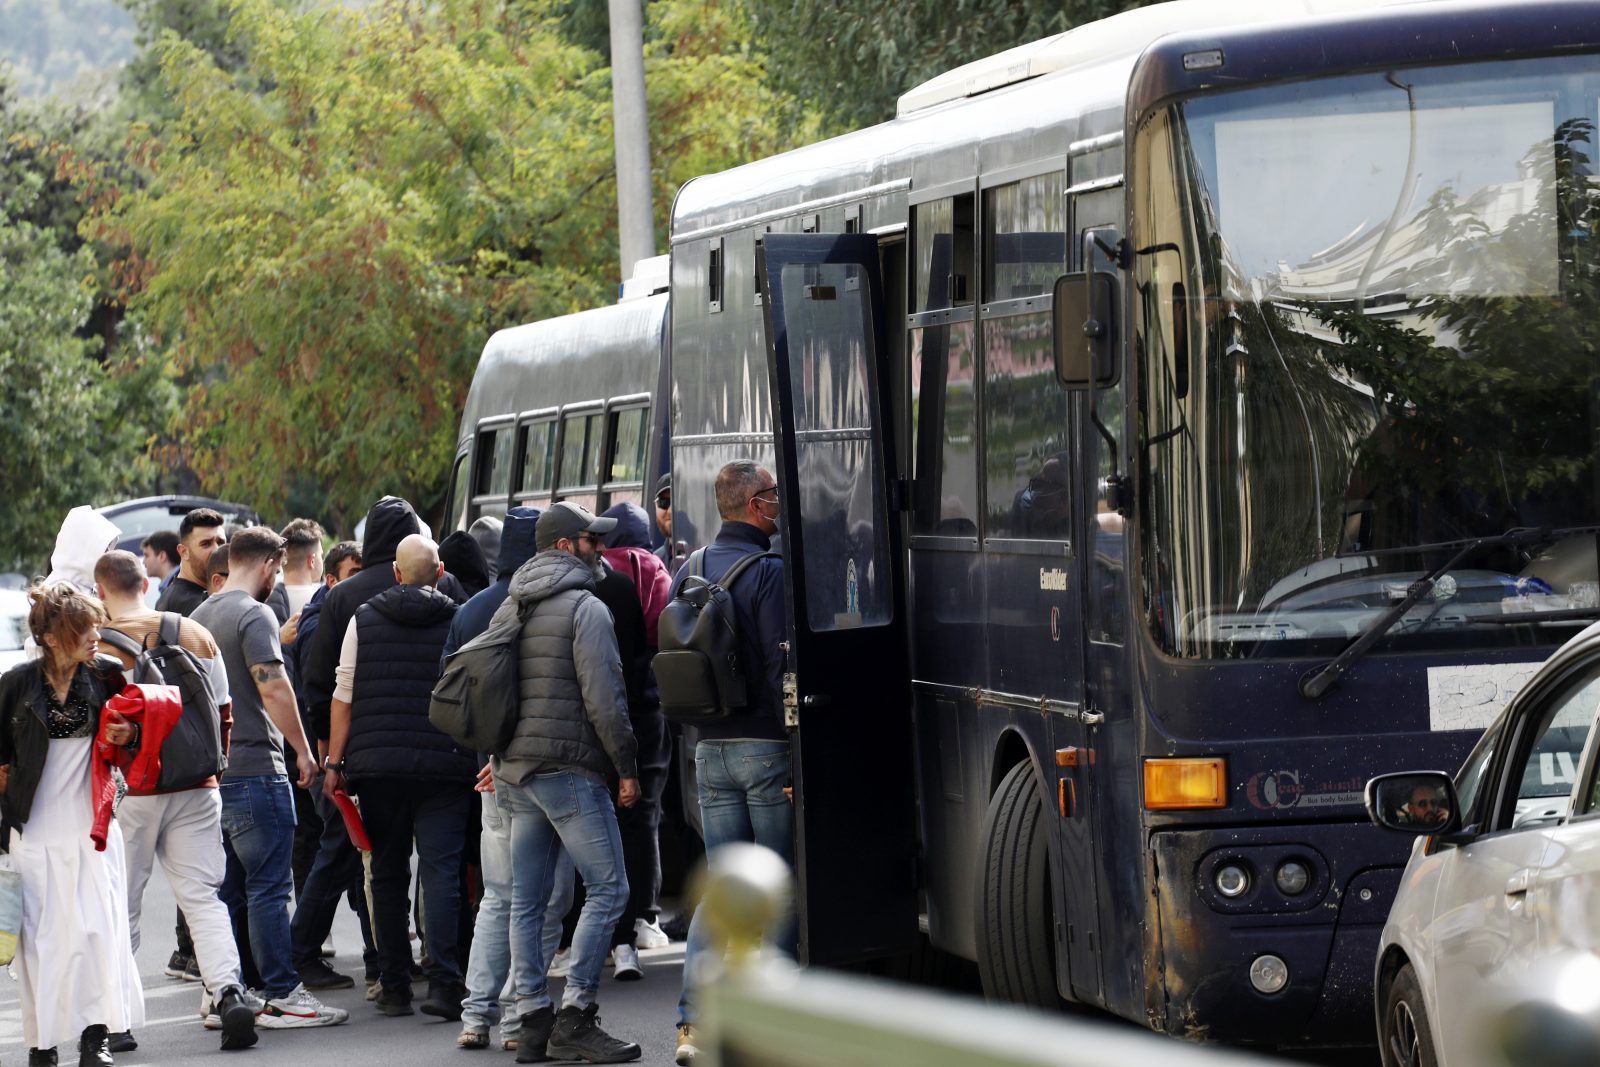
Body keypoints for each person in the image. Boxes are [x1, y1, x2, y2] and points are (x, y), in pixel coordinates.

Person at [494, 501, 642, 1064]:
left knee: (526, 900)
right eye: (590, 539)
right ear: (564, 546)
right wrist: (625, 767)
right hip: (570, 768)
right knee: (610, 889)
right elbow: (606, 699)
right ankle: (576, 1014)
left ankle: (532, 1019)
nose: (600, 548)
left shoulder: (513, 602)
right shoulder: (586, 607)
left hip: (516, 771)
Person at [94, 550, 258, 1052]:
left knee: (121, 902)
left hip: (132, 791)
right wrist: (213, 770)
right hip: (197, 784)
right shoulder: (196, 634)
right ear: (145, 583)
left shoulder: (99, 646)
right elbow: (224, 712)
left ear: (100, 592)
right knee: (203, 898)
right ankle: (228, 993)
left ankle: (117, 1020)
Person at [191, 526, 348, 1028]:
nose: (276, 580)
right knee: (269, 888)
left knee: (230, 891)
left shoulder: (198, 616)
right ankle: (282, 993)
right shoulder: (254, 614)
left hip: (216, 774)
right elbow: (274, 686)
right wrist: (303, 751)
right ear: (265, 566)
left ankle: (229, 992)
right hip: (258, 769)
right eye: (276, 571)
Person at [323, 534, 473, 1019]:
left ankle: (393, 986)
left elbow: (343, 697)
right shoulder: (459, 619)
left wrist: (335, 763)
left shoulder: (363, 619)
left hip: (379, 769)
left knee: (387, 874)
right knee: (442, 872)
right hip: (445, 766)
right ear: (441, 572)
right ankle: (446, 985)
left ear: (395, 573)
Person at [671, 460, 791, 1067]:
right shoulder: (768, 571)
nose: (779, 502)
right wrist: (793, 743)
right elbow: (777, 666)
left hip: (708, 749)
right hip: (764, 749)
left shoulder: (689, 567)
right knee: (774, 886)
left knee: (722, 888)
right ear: (753, 504)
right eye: (773, 493)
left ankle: (692, 1025)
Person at [0, 582, 143, 1066]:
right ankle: (42, 1046)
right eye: (84, 628)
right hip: (34, 828)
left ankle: (94, 1037)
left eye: (97, 625)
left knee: (96, 934)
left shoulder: (106, 675)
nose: (96, 635)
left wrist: (129, 732)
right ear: (51, 637)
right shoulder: (16, 685)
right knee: (42, 944)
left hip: (93, 826)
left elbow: (137, 731)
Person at [446, 507, 546, 1052]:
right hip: (537, 767)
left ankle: (475, 1014)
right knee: (540, 900)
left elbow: (452, 694)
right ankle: (516, 1016)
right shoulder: (548, 604)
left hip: (489, 772)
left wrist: (483, 751)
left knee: (497, 897)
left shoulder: (471, 610)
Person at [286, 540, 378, 996]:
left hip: (341, 755)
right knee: (338, 852)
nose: (361, 580)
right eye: (353, 572)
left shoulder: (337, 613)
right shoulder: (321, 620)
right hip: (329, 760)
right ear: (330, 578)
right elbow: (319, 696)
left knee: (353, 856)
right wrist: (329, 759)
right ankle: (301, 952)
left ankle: (374, 955)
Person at [156, 508, 227, 617]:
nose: (216, 550)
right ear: (183, 552)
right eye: (206, 544)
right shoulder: (196, 607)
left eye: (221, 543)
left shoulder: (169, 595)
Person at [266, 519, 326, 625]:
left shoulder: (265, 601)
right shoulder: (327, 600)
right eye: (321, 555)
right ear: (312, 561)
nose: (322, 560)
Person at [141, 531, 181, 603]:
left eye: (147, 555)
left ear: (162, 556)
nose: (143, 562)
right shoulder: (174, 586)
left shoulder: (178, 589)